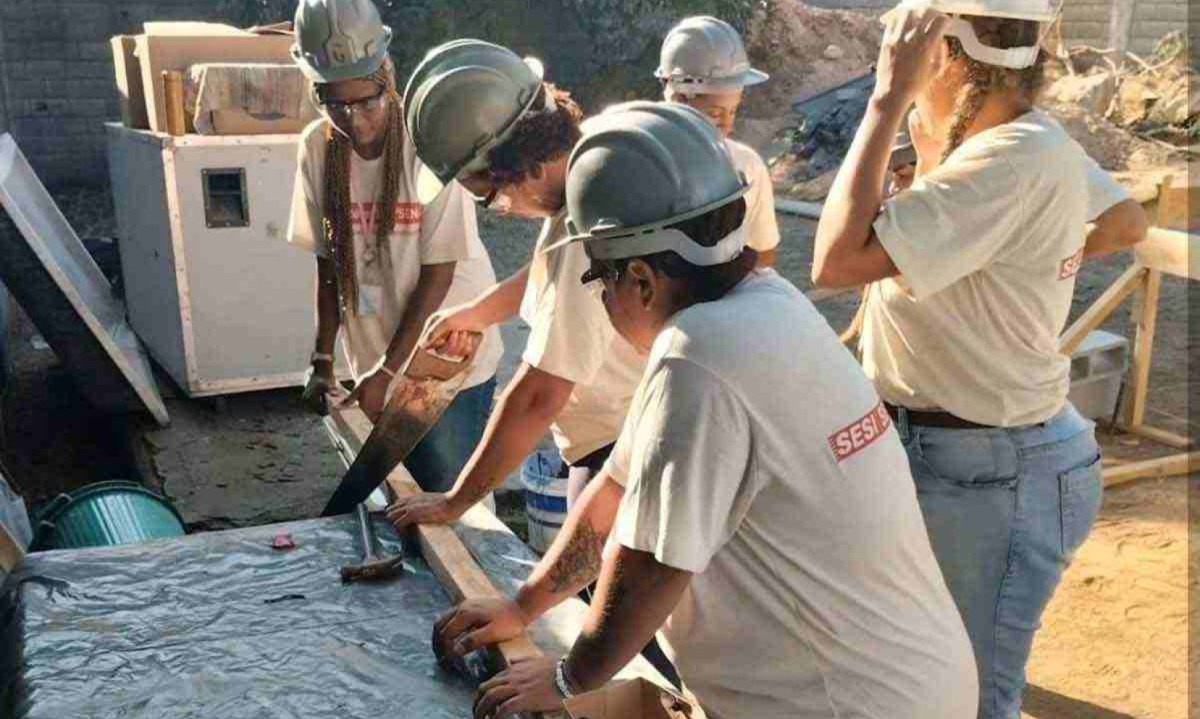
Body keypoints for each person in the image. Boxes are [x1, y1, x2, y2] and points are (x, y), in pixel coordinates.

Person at [430, 101, 978, 719]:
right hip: (898, 683)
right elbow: (611, 498)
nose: (603, 300)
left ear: (638, 279)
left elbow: (650, 567)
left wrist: (565, 679)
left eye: (598, 282)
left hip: (851, 703)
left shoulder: (700, 360)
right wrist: (524, 606)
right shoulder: (767, 308)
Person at [810, 2, 1148, 717]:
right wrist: (1000, 250)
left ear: (945, 53)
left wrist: (885, 98)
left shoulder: (1010, 159)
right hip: (965, 456)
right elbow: (1124, 219)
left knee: (969, 697)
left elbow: (836, 260)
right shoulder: (1023, 141)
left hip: (991, 470)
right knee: (927, 671)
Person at [384, 40, 645, 528]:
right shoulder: (601, 170)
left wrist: (455, 501)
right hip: (634, 430)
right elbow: (554, 275)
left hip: (625, 445)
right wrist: (478, 313)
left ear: (530, 166)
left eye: (490, 196)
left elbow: (536, 397)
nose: (500, 210)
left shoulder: (581, 231)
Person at [287, 0, 502, 493]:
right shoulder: (316, 148)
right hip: (374, 352)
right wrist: (323, 359)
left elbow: (439, 272)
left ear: (387, 78)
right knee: (394, 499)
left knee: (444, 496)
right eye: (335, 104)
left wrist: (390, 371)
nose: (354, 120)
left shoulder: (424, 142)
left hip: (446, 358)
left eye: (366, 102)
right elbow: (328, 263)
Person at [656, 16, 781, 267]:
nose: (728, 125)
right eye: (715, 114)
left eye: (733, 111)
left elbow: (763, 256)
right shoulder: (634, 162)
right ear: (679, 100)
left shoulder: (746, 166)